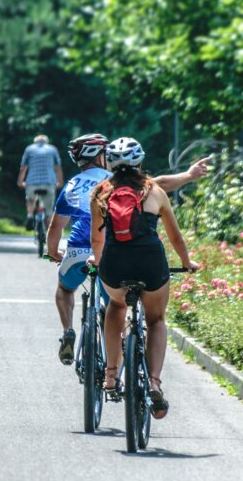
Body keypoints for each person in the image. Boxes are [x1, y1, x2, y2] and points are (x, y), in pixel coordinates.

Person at [46, 134, 209, 367]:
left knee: (64, 288)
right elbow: (159, 184)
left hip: (79, 252)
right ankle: (123, 359)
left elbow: (55, 227)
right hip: (116, 253)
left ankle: (68, 330)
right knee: (117, 307)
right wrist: (188, 175)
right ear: (102, 157)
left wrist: (53, 252)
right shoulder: (116, 180)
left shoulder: (73, 185)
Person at [86, 137, 200, 420]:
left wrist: (97, 262)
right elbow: (175, 236)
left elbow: (96, 239)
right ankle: (154, 383)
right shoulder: (155, 191)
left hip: (115, 263)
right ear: (140, 162)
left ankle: (111, 376)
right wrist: (187, 263)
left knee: (116, 306)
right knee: (156, 320)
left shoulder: (100, 192)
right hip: (150, 263)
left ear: (109, 164)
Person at [17, 134, 63, 230]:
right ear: (46, 142)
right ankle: (47, 232)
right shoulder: (52, 149)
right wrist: (60, 182)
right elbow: (58, 167)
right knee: (49, 211)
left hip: (32, 183)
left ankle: (29, 216)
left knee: (30, 200)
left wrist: (20, 182)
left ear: (35, 142)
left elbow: (23, 167)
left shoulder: (29, 149)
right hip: (49, 183)